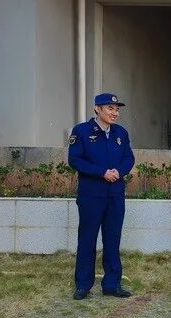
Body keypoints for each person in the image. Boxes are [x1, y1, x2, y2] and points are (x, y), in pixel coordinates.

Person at [68, 93, 135, 300]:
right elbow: (75, 160)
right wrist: (101, 172)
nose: (114, 113)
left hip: (115, 195)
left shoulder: (121, 133)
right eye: (110, 108)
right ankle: (83, 285)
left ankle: (112, 284)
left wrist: (119, 171)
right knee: (87, 239)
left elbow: (128, 158)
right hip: (91, 195)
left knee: (112, 240)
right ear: (97, 109)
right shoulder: (82, 131)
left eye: (117, 109)